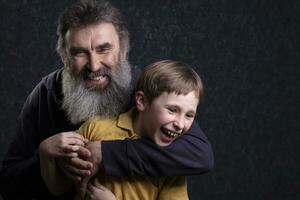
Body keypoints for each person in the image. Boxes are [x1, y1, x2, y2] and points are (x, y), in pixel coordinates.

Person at [0, 0, 214, 199]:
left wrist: (107, 153)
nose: (94, 66)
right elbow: (8, 183)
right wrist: (46, 156)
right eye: (79, 53)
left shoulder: (149, 93)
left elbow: (199, 155)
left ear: (123, 52)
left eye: (104, 49)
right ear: (64, 57)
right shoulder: (45, 95)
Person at [40, 60, 204, 200]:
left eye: (190, 115)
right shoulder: (96, 128)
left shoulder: (172, 163)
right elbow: (59, 188)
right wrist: (45, 152)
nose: (180, 124)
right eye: (172, 110)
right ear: (141, 101)